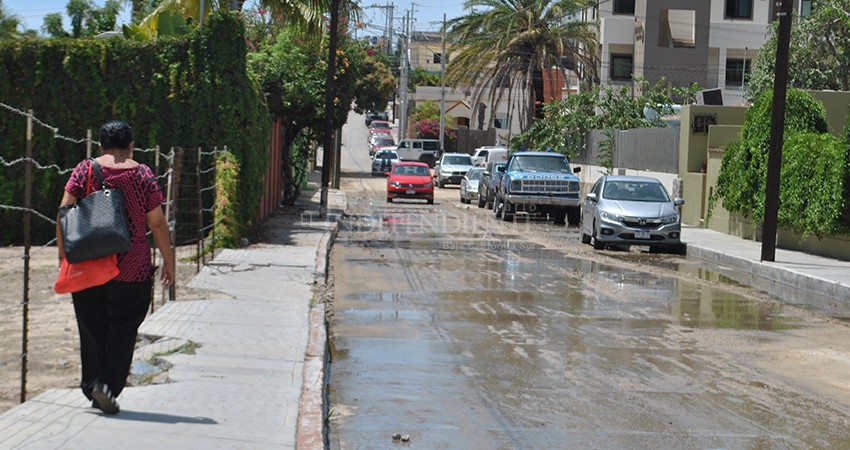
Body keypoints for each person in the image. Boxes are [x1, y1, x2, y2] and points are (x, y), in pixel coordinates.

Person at [56, 121, 174, 414]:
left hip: (89, 264)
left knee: (92, 327)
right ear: (131, 144)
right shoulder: (143, 174)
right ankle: (107, 385)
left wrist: (64, 257)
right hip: (132, 267)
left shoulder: (84, 170)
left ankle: (93, 384)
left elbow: (64, 210)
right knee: (123, 328)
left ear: (100, 146)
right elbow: (157, 221)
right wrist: (169, 261)